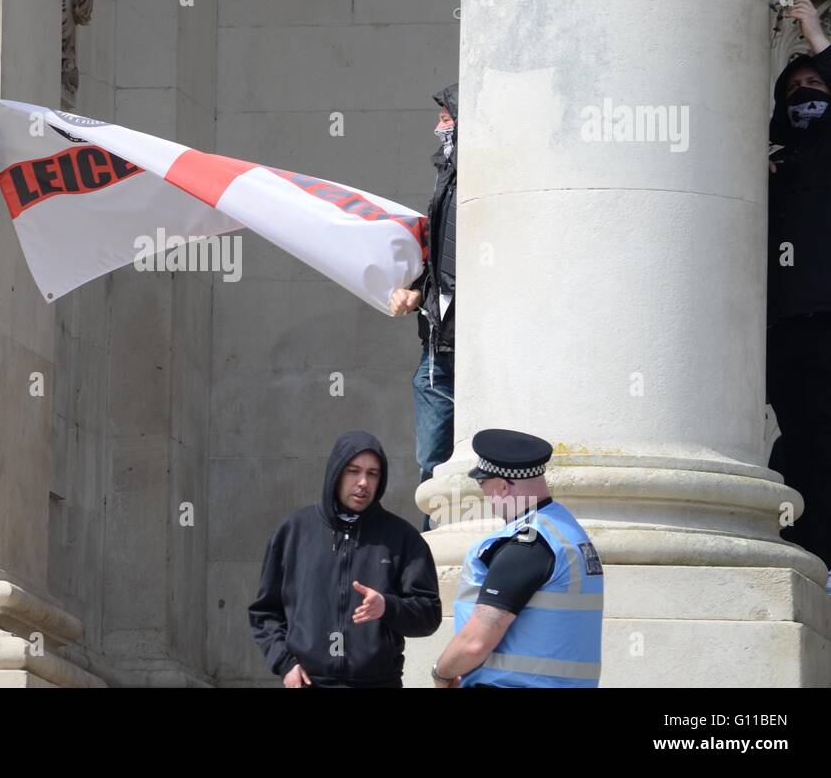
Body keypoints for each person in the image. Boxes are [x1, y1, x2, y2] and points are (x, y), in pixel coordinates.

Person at [248, 431, 441, 688]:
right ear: (336, 473)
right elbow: (265, 612)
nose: (363, 482)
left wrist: (388, 607)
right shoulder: (293, 531)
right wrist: (284, 663)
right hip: (308, 682)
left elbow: (429, 615)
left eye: (372, 474)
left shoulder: (403, 537)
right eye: (354, 471)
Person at [430, 430, 604, 689]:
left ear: (502, 485)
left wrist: (441, 673)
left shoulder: (528, 545)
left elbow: (476, 641)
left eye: (484, 486)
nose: (487, 499)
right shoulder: (566, 532)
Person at [766, 0, 831, 573]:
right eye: (793, 90)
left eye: (815, 85)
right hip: (783, 330)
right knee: (799, 448)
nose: (804, 95)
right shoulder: (772, 167)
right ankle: (814, 553)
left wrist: (815, 33)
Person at [390, 83, 458, 530]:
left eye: (447, 117)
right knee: (432, 459)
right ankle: (437, 542)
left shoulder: (478, 174)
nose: (439, 126)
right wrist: (416, 286)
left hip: (466, 341)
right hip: (439, 340)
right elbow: (440, 248)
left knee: (446, 456)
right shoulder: (448, 173)